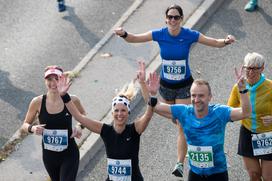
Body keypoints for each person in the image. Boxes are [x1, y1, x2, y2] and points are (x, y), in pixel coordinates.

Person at [114, 4, 236, 178]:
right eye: (170, 17)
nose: (172, 20)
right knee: (175, 119)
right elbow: (134, 38)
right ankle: (192, 144)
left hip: (185, 86)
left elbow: (213, 42)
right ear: (166, 19)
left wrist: (226, 41)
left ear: (181, 19)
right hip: (165, 87)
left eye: (176, 17)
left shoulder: (189, 35)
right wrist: (123, 33)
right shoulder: (160, 34)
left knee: (182, 122)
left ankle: (179, 163)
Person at [137, 60, 251, 181]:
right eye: (193, 95)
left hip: (217, 174)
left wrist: (243, 90)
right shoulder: (184, 112)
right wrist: (144, 85)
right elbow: (154, 106)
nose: (196, 99)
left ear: (209, 97)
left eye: (201, 95)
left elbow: (246, 112)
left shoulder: (220, 112)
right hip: (195, 174)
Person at [57, 74, 155, 181]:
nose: (119, 114)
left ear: (128, 112)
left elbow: (148, 115)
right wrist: (64, 96)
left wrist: (152, 96)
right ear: (112, 113)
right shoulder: (105, 131)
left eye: (123, 110)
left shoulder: (135, 129)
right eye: (116, 110)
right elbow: (79, 117)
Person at [21, 65, 86, 181]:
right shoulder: (37, 102)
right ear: (45, 81)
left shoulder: (72, 100)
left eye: (57, 79)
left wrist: (79, 126)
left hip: (69, 153)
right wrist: (33, 128)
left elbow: (83, 116)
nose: (53, 83)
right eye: (49, 79)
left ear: (63, 80)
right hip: (49, 155)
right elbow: (24, 125)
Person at [228, 52, 272, 181]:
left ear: (262, 68)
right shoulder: (239, 87)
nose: (250, 72)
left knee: (268, 177)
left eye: (254, 68)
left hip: (267, 135)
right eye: (248, 68)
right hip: (247, 133)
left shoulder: (270, 87)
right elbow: (230, 109)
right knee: (254, 174)